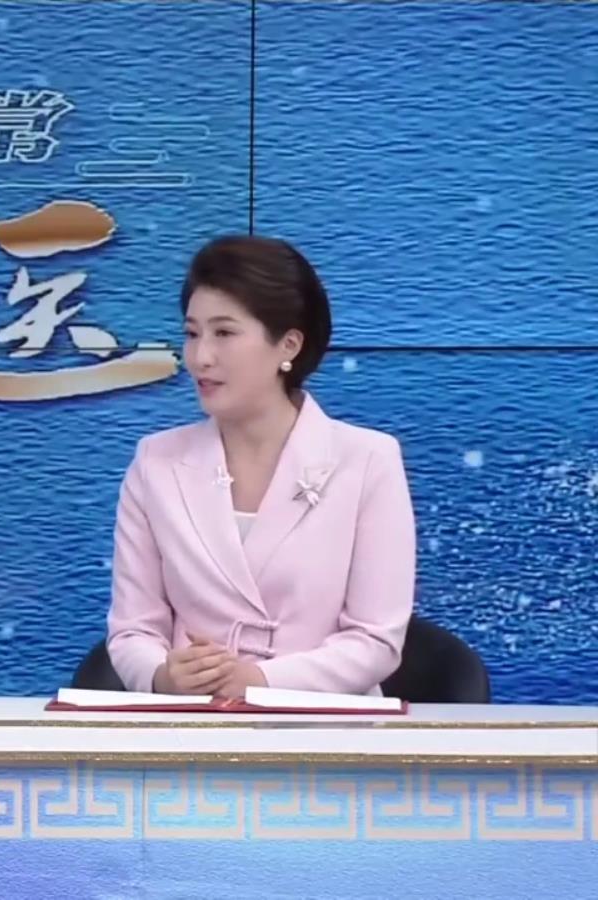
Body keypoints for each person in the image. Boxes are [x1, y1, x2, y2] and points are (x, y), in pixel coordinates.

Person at [105, 235, 415, 698]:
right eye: (192, 334)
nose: (200, 357)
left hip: (324, 726)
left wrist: (261, 682)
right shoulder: (157, 462)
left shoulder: (368, 461)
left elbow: (375, 641)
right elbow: (133, 630)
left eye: (224, 334)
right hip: (191, 724)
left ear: (288, 344)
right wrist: (163, 676)